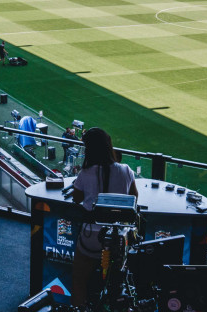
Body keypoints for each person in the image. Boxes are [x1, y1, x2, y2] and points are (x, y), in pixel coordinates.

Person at [69, 127, 138, 307]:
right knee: (119, 284)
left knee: (79, 281)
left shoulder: (86, 172)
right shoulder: (126, 170)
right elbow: (134, 199)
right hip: (119, 238)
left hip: (91, 237)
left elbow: (77, 198)